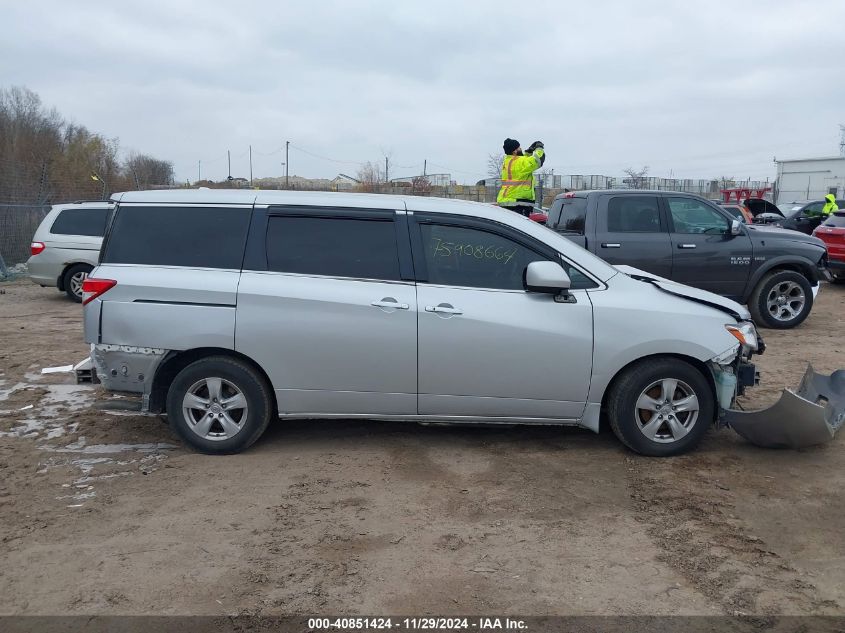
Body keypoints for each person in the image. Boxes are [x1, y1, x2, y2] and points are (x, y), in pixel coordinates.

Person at [497, 138, 546, 216]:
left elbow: (523, 161)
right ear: (514, 151)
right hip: (517, 204)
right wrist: (539, 148)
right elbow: (538, 160)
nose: (521, 149)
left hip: (509, 201)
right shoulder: (518, 163)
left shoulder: (508, 161)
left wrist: (529, 152)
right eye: (519, 148)